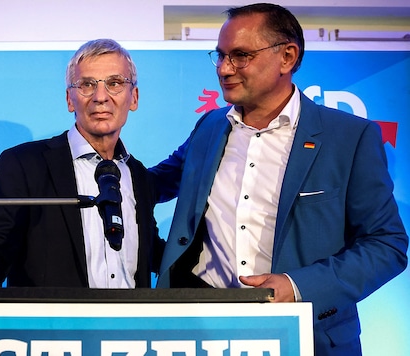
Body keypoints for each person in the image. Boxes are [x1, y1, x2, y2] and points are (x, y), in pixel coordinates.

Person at [150, 3, 408, 356]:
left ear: (287, 57)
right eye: (221, 56)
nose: (224, 69)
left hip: (306, 335)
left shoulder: (350, 137)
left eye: (240, 56)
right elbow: (152, 184)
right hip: (202, 331)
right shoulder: (209, 127)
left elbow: (386, 245)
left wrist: (296, 286)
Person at [0, 39, 164, 288]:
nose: (100, 97)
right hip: (50, 325)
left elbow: (152, 254)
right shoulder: (25, 164)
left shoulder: (138, 175)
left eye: (114, 83)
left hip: (130, 326)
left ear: (134, 98)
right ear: (69, 99)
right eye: (87, 84)